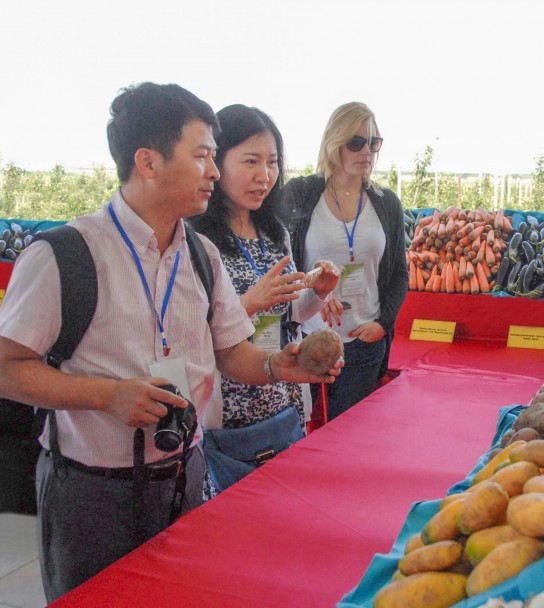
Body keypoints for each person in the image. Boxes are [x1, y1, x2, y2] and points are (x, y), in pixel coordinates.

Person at [0, 82, 341, 602]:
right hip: (91, 492)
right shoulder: (65, 255)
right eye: (202, 154)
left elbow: (231, 353)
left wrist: (279, 366)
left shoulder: (199, 255)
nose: (212, 170)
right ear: (149, 162)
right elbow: (7, 366)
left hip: (185, 474)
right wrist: (108, 396)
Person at [189, 104, 339, 496]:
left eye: (273, 162)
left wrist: (316, 294)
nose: (265, 176)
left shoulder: (275, 232)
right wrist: (249, 303)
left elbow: (288, 312)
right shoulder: (195, 239)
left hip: (282, 393)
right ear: (217, 161)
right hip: (229, 407)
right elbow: (189, 330)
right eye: (251, 161)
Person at [282, 102, 408, 422]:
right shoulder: (301, 194)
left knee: (349, 438)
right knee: (306, 436)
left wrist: (384, 324)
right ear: (334, 143)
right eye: (356, 142)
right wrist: (313, 289)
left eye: (373, 142)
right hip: (309, 343)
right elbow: (280, 262)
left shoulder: (386, 204)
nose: (366, 151)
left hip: (363, 343)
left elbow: (399, 274)